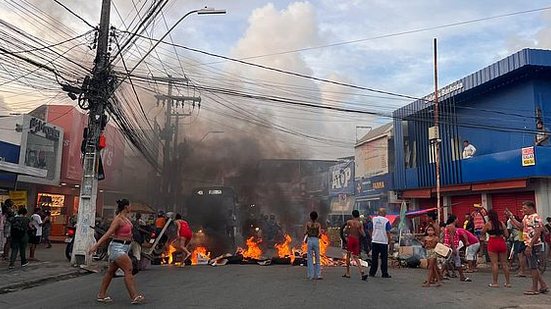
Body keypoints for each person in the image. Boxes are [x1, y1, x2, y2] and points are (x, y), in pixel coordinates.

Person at [89, 199, 144, 304]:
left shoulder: (126, 219)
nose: (131, 207)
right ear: (126, 207)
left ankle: (101, 295)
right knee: (128, 269)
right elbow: (108, 233)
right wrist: (96, 245)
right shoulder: (118, 219)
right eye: (130, 205)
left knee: (111, 272)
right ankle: (134, 296)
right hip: (117, 248)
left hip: (125, 247)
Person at [506, 201, 549, 295]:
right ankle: (543, 285)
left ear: (531, 208)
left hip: (533, 245)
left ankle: (534, 288)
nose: (523, 210)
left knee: (533, 267)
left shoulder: (535, 218)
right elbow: (521, 227)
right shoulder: (526, 217)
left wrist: (530, 245)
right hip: (527, 243)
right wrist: (511, 217)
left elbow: (537, 232)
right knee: (533, 266)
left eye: (525, 208)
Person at [482, 209, 511, 288]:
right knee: (504, 263)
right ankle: (508, 282)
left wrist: (484, 239)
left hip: (492, 242)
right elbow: (507, 235)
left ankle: (495, 283)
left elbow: (482, 232)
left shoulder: (488, 224)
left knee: (494, 264)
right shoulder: (501, 223)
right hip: (501, 242)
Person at [443, 215, 470, 282]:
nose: (458, 220)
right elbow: (451, 238)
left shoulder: (447, 226)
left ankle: (461, 276)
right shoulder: (452, 227)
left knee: (447, 261)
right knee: (455, 262)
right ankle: (462, 276)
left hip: (448, 246)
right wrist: (454, 249)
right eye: (457, 218)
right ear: (454, 219)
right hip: (452, 247)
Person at [342, 210, 368, 280]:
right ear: (358, 215)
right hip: (356, 240)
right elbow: (363, 234)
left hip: (350, 239)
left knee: (348, 255)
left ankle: (347, 273)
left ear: (352, 215)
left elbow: (345, 231)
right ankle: (362, 271)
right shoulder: (360, 224)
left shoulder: (349, 222)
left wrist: (346, 234)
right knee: (356, 257)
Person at [369, 208, 392, 278]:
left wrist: (372, 236)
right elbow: (388, 231)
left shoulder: (373, 219)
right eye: (385, 212)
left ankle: (372, 273)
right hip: (383, 242)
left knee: (374, 258)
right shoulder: (386, 221)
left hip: (375, 241)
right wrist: (389, 240)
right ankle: (384, 273)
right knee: (384, 258)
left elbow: (369, 228)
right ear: (383, 213)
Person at [304, 211, 322, 280]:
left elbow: (305, 232)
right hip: (316, 240)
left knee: (310, 258)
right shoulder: (318, 225)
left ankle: (310, 275)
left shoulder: (308, 224)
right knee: (317, 257)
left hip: (310, 240)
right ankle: (318, 275)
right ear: (316, 217)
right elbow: (319, 234)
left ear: (310, 217)